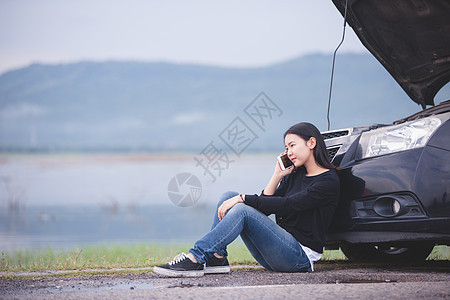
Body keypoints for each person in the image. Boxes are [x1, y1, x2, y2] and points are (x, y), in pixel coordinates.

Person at [153, 122, 340, 277]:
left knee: (241, 207)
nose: (289, 152)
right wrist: (276, 176)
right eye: (286, 148)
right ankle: (216, 258)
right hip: (279, 251)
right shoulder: (295, 174)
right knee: (228, 196)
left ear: (311, 143)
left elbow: (289, 205)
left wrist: (243, 199)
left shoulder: (328, 182)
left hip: (299, 258)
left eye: (292, 145)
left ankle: (195, 257)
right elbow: (265, 210)